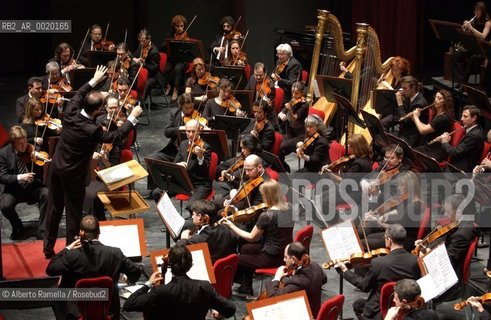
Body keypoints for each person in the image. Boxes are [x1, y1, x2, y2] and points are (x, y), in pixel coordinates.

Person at [43, 66, 142, 259]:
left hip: (56, 167)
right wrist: (132, 118)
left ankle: (48, 248)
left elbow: (79, 94)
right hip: (73, 175)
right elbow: (116, 135)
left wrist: (94, 80)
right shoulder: (92, 129)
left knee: (54, 209)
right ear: (98, 110)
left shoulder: (71, 112)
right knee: (73, 214)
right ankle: (72, 254)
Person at [46, 215, 141, 320]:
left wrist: (67, 249)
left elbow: (51, 269)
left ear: (81, 233)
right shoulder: (115, 253)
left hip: (79, 313)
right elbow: (136, 272)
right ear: (99, 232)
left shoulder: (72, 255)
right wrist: (129, 279)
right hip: (109, 311)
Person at [123, 244, 236, 320]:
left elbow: (129, 305)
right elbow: (230, 309)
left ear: (170, 265)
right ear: (190, 264)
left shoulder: (159, 291)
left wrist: (148, 284)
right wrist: (215, 308)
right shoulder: (204, 287)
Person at [220, 179, 294, 296]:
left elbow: (251, 237)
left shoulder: (267, 216)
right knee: (245, 249)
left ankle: (226, 291)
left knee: (236, 259)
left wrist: (231, 225)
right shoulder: (289, 207)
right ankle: (246, 287)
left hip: (271, 257)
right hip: (285, 252)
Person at [336, 224, 421, 320]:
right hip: (406, 307)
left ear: (389, 239)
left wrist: (345, 271)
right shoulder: (415, 260)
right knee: (359, 304)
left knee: (358, 305)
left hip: (379, 308)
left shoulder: (379, 263)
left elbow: (364, 286)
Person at [416, 193, 478, 303]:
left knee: (410, 268)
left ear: (458, 211)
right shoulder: (462, 224)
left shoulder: (462, 234)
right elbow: (446, 240)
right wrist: (427, 244)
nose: (446, 214)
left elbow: (448, 260)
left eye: (448, 212)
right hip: (450, 266)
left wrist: (426, 253)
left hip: (449, 278)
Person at [150, 119, 212, 210]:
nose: (190, 134)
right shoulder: (183, 144)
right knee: (156, 192)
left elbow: (205, 170)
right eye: (188, 131)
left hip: (199, 184)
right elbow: (174, 164)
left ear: (198, 131)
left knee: (191, 206)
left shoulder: (205, 147)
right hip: (183, 182)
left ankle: (196, 222)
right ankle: (170, 215)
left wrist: (200, 157)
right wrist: (178, 166)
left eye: (193, 131)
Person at [0, 126, 48, 240]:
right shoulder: (3, 154)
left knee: (47, 194)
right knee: (4, 205)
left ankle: (43, 229)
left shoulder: (31, 149)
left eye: (25, 141)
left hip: (33, 187)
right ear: (13, 143)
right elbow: (2, 177)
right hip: (14, 189)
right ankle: (17, 226)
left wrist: (41, 162)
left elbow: (45, 173)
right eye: (20, 143)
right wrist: (20, 177)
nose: (24, 145)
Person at [360, 171, 424, 252]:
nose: (399, 187)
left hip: (403, 241)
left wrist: (377, 222)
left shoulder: (413, 206)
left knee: (362, 242)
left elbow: (397, 230)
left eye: (402, 185)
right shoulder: (411, 200)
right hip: (398, 236)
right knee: (368, 237)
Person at [264, 242, 327, 317]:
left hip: (304, 315)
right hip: (314, 311)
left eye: (286, 257)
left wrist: (277, 277)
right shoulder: (315, 266)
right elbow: (324, 279)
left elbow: (273, 297)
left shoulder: (297, 282)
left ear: (293, 259)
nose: (284, 260)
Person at [433, 105, 484, 173]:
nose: (461, 119)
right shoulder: (472, 129)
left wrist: (444, 142)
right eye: (462, 116)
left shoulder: (474, 135)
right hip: (456, 164)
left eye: (465, 116)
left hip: (460, 171)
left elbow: (455, 153)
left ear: (474, 118)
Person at [380, 76, 428, 147]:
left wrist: (400, 103)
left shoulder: (420, 103)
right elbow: (400, 113)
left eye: (405, 88)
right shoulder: (409, 97)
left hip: (411, 137)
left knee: (384, 147)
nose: (402, 91)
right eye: (402, 88)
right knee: (382, 126)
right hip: (404, 130)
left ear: (413, 88)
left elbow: (405, 122)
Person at [412, 89, 454, 162]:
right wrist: (415, 119)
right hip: (430, 146)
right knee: (410, 152)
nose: (436, 100)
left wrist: (416, 118)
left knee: (413, 156)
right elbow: (426, 127)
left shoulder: (443, 117)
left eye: (439, 98)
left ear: (445, 102)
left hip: (437, 151)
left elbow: (423, 130)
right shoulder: (437, 113)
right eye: (436, 97)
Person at [278, 81, 309, 172]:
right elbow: (282, 112)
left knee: (281, 147)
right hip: (290, 132)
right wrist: (282, 113)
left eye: (296, 93)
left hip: (300, 135)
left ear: (302, 93)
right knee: (277, 147)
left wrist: (290, 109)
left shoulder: (304, 105)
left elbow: (294, 118)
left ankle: (284, 169)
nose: (293, 95)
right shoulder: (292, 101)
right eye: (292, 92)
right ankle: (284, 167)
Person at [162, 15, 192, 101]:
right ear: (174, 26)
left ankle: (176, 89)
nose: (180, 28)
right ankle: (168, 85)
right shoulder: (170, 35)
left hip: (183, 61)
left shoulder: (186, 36)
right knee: (167, 67)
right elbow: (162, 47)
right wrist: (170, 41)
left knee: (178, 68)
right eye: (177, 26)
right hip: (173, 59)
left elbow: (189, 50)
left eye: (181, 26)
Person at [131, 29, 161, 102]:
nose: (141, 43)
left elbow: (154, 69)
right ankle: (132, 98)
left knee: (147, 83)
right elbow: (134, 55)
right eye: (140, 40)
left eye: (143, 41)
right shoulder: (141, 46)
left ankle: (141, 102)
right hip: (142, 72)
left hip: (153, 76)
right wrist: (135, 59)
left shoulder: (154, 52)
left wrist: (144, 65)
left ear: (149, 39)